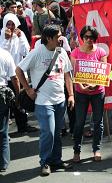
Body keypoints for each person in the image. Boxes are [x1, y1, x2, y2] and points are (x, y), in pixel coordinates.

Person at [16, 24, 75, 176]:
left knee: (56, 133)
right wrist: (28, 89)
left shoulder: (61, 52)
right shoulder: (37, 53)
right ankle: (45, 162)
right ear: (48, 38)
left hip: (60, 100)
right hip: (43, 101)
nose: (61, 39)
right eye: (57, 37)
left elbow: (67, 74)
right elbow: (18, 70)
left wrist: (71, 95)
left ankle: (56, 160)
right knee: (48, 132)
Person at [70, 26, 107, 163]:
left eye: (92, 37)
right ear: (82, 37)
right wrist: (81, 86)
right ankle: (76, 151)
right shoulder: (74, 53)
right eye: (86, 37)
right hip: (81, 93)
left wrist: (95, 85)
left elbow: (104, 72)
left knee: (98, 122)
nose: (89, 39)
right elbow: (74, 74)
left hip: (98, 92)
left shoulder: (101, 52)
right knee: (79, 123)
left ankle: (96, 149)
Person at [0, 49, 17, 172]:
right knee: (3, 131)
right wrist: (18, 94)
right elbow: (14, 77)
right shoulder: (5, 54)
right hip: (2, 93)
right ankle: (3, 163)